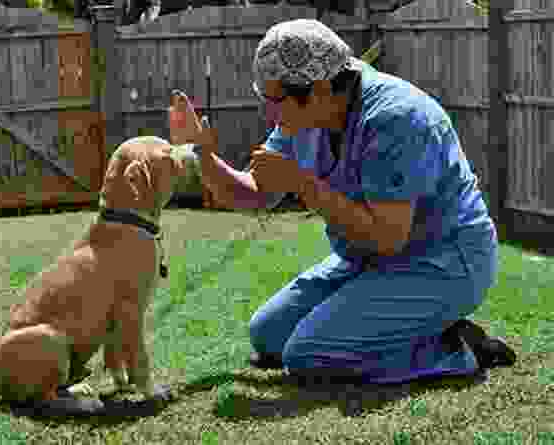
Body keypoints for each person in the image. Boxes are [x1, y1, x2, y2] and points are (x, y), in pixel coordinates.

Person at [170, 19, 516, 387]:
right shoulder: (303, 117)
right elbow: (254, 192)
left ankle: (456, 349)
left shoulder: (396, 119)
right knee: (268, 335)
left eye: (274, 101)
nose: (268, 115)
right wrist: (202, 155)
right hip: (367, 258)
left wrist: (305, 185)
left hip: (442, 262)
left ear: (318, 90)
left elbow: (388, 238)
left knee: (310, 354)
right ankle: (413, 330)